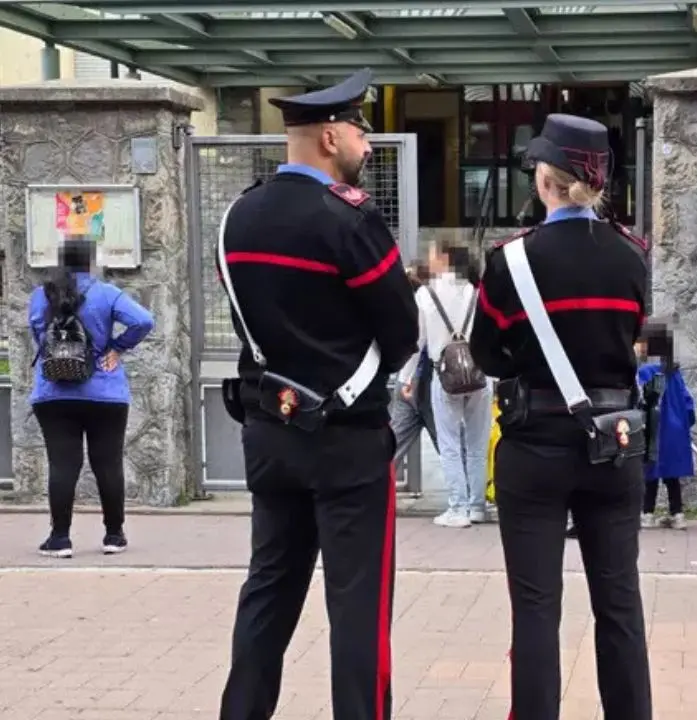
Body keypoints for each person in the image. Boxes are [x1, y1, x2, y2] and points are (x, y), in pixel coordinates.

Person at [216, 68, 418, 720]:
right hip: (348, 441)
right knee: (358, 608)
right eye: (359, 127)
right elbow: (403, 331)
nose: (365, 140)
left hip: (270, 435)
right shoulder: (351, 221)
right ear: (331, 135)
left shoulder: (237, 217)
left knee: (268, 590)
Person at [470, 113, 653, 720]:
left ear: (545, 180)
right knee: (620, 604)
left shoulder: (512, 262)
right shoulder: (632, 256)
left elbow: (489, 353)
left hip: (534, 443)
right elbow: (636, 336)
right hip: (613, 442)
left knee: (536, 609)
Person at [28, 237, 154, 558]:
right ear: (91, 262)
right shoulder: (106, 293)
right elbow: (143, 320)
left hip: (53, 392)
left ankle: (59, 539)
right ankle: (113, 536)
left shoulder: (41, 296)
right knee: (108, 463)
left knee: (63, 464)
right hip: (105, 392)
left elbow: (38, 335)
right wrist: (117, 348)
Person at [399, 240, 491, 528]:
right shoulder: (477, 292)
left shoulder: (426, 295)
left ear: (444, 258)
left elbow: (417, 343)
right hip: (479, 375)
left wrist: (406, 378)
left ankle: (458, 506)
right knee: (476, 443)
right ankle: (477, 506)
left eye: (431, 253)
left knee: (450, 443)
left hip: (446, 375)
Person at [637, 341, 696, 530]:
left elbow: (642, 400)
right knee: (672, 475)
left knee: (650, 473)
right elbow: (688, 403)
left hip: (653, 430)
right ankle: (677, 514)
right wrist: (685, 425)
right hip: (674, 431)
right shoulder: (674, 374)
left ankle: (647, 514)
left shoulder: (645, 372)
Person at [389, 262, 439, 461]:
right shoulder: (439, 305)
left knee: (391, 450)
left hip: (406, 383)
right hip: (433, 384)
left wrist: (406, 379)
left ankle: (377, 488)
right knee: (452, 451)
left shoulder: (408, 309)